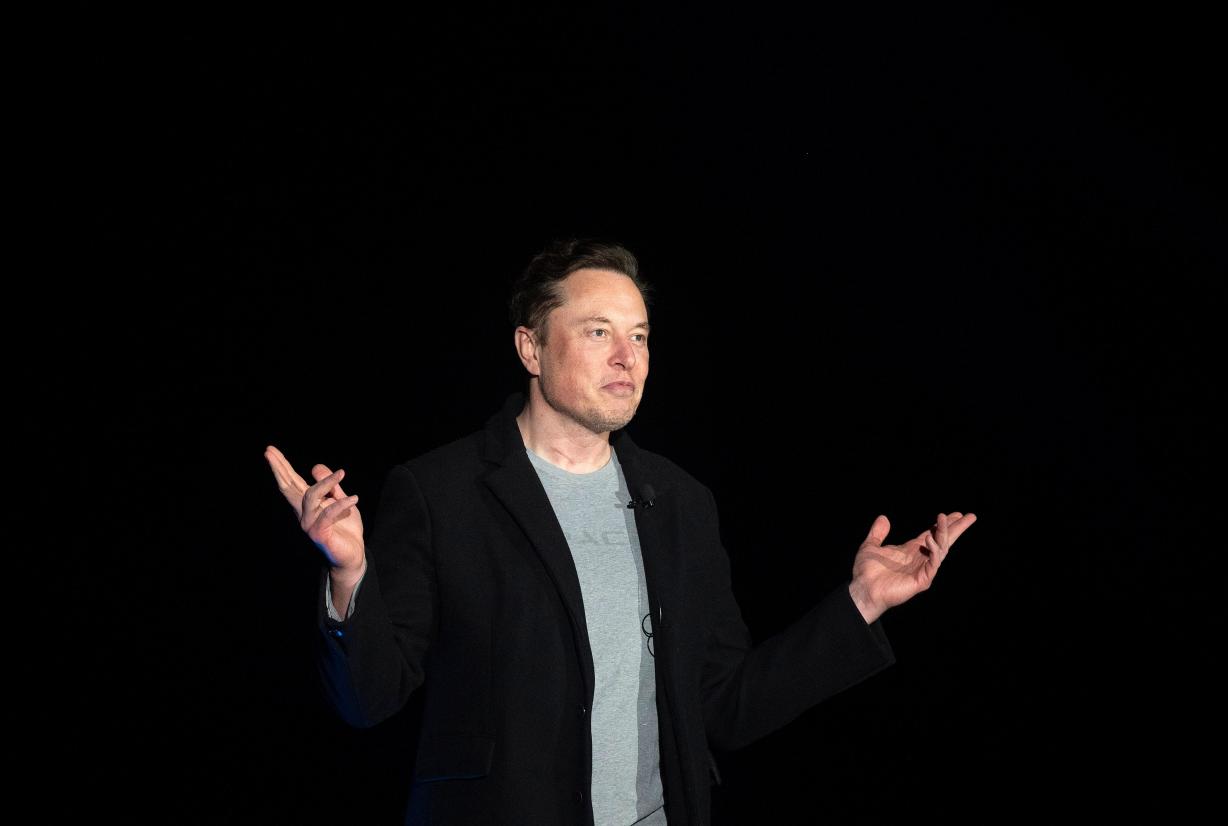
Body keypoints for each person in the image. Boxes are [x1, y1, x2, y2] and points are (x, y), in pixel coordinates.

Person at [264, 237, 976, 825]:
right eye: (597, 332)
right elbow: (370, 700)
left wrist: (861, 605)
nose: (626, 357)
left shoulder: (682, 504)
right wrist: (349, 576)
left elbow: (724, 706)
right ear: (531, 348)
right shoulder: (440, 491)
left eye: (638, 336)